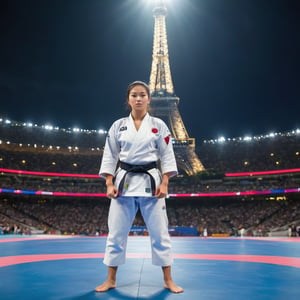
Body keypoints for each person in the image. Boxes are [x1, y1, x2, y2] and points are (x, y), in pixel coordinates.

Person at [95, 81, 183, 293]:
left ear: (148, 99)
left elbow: (167, 155)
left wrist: (165, 182)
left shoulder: (159, 125)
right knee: (116, 233)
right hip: (123, 183)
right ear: (128, 99)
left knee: (160, 233)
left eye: (142, 95)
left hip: (152, 183)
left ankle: (168, 279)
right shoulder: (118, 126)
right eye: (134, 95)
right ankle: (111, 279)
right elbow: (110, 155)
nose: (138, 98)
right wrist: (108, 182)